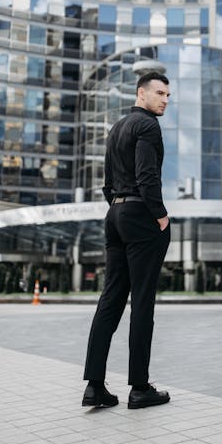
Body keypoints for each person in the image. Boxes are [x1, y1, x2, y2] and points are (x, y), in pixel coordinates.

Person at [82, 71, 171, 410]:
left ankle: (94, 385)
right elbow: (147, 176)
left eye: (167, 95)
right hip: (141, 216)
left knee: (111, 298)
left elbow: (107, 184)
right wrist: (159, 215)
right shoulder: (148, 126)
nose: (164, 100)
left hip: (115, 215)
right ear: (142, 93)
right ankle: (139, 387)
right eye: (159, 93)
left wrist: (120, 210)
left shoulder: (117, 128)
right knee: (142, 301)